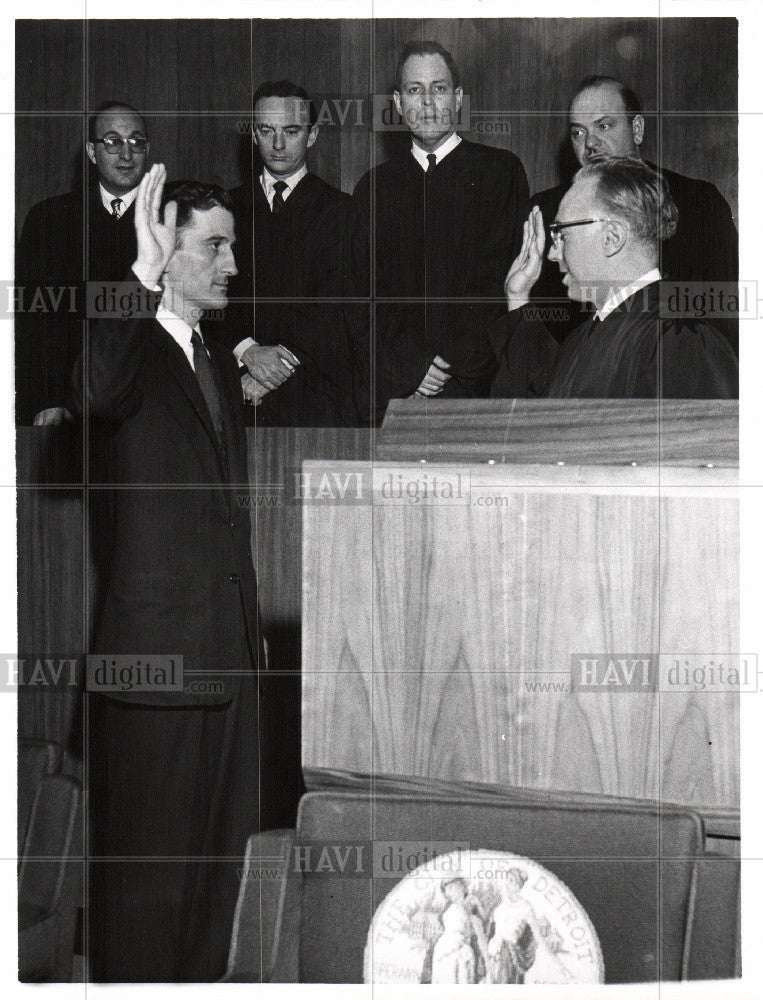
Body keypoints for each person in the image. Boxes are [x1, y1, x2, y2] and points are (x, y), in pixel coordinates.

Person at [81, 165, 267, 982]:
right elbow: (91, 387)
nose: (230, 263)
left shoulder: (215, 358)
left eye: (231, 245)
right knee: (149, 892)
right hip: (155, 662)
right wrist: (138, 273)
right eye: (214, 246)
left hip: (228, 659)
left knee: (214, 889)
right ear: (168, 250)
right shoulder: (128, 349)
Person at [351, 40, 529, 425]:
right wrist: (411, 368)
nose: (428, 102)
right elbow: (366, 295)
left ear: (459, 98)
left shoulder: (500, 172)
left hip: (478, 384)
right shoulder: (374, 187)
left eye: (439, 88)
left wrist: (447, 366)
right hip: (396, 388)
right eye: (415, 90)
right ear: (398, 103)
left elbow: (501, 279)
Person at [494, 157, 738, 398]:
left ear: (612, 237)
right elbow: (544, 409)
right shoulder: (586, 336)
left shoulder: (681, 342)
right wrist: (518, 296)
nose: (552, 254)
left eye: (561, 234)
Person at [530, 75, 738, 349]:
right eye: (578, 132)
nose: (590, 143)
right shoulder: (547, 210)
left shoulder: (697, 201)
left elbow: (721, 308)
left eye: (604, 126)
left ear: (637, 128)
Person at [223, 80, 357, 426]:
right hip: (236, 388)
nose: (278, 144)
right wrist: (247, 352)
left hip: (315, 396)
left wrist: (271, 372)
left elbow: (338, 307)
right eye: (267, 131)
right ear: (253, 134)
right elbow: (209, 296)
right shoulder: (225, 207)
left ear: (312, 136)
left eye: (292, 131)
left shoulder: (343, 211)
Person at [15, 101, 150, 425]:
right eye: (113, 142)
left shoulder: (169, 216)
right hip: (69, 406)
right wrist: (47, 400)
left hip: (148, 405)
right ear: (91, 152)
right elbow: (33, 323)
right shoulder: (50, 218)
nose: (126, 154)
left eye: (136, 142)